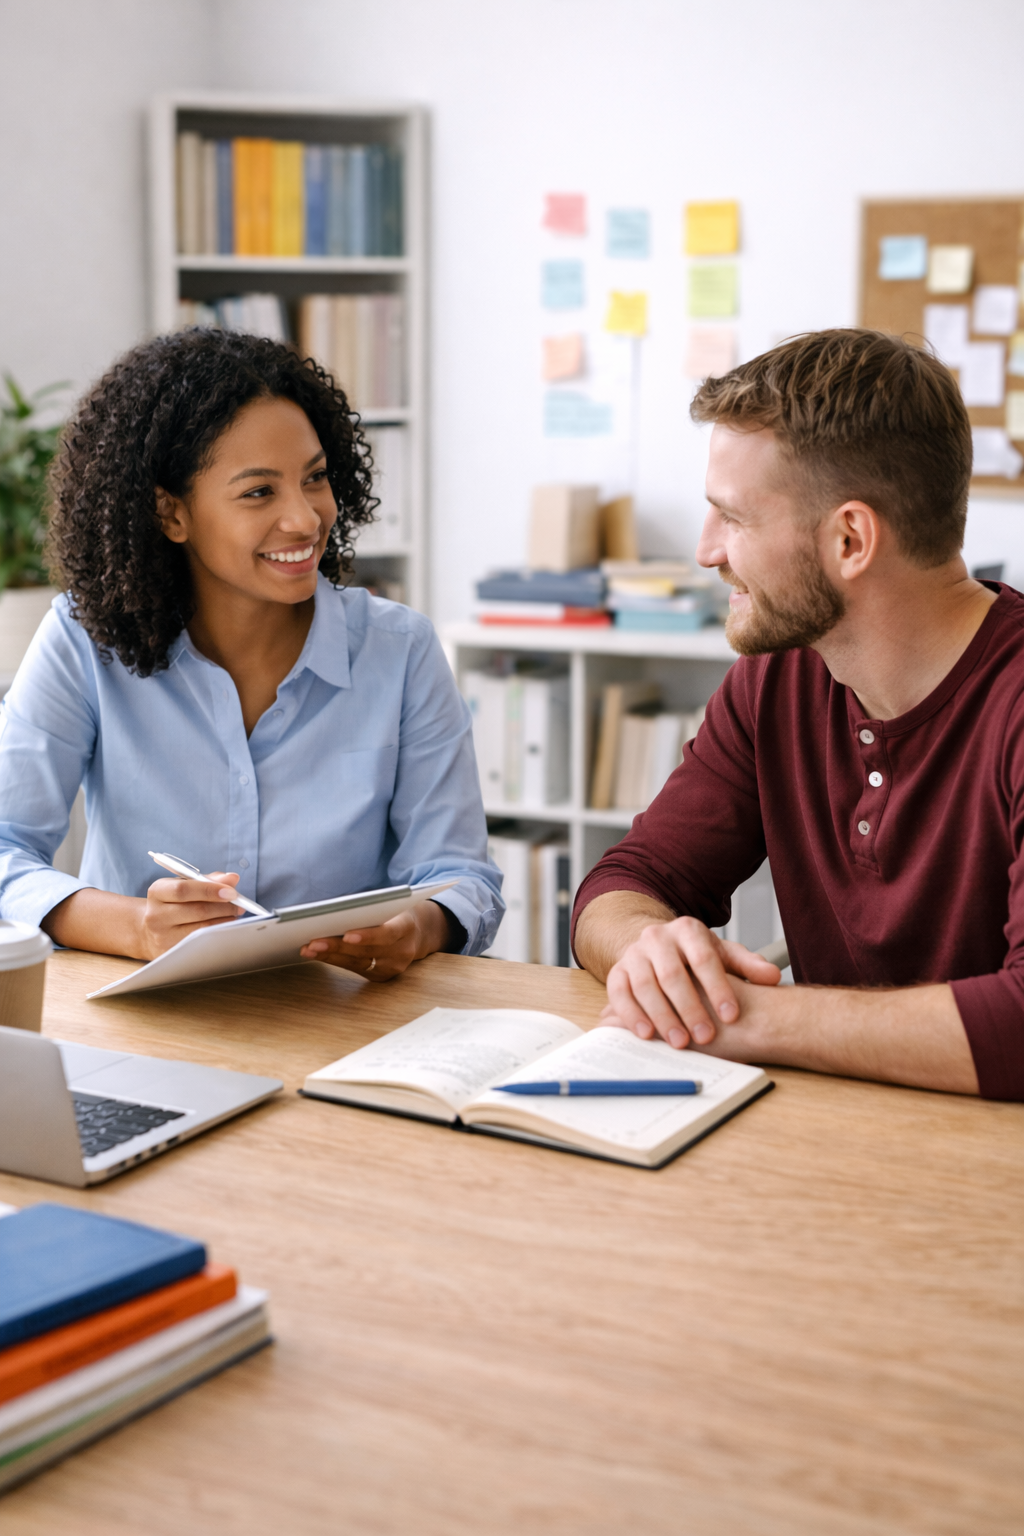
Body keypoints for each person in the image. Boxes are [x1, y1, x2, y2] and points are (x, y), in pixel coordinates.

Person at [573, 328, 1024, 1101]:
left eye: (733, 519)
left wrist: (744, 1018)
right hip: (824, 1140)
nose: (706, 552)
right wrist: (647, 951)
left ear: (850, 538)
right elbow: (623, 881)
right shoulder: (776, 679)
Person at [0, 327, 503, 976]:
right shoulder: (83, 638)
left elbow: (461, 875)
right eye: (259, 491)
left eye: (315, 478)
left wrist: (419, 926)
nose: (304, 518)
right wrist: (136, 927)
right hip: (141, 1027)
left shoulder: (399, 651)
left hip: (338, 1021)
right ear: (170, 513)